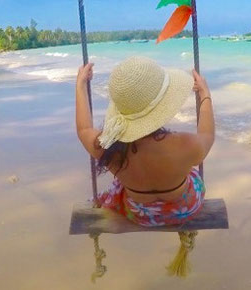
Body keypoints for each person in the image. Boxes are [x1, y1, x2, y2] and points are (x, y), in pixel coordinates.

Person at [75, 56, 214, 226]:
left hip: (138, 213)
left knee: (120, 183)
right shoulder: (185, 144)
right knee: (189, 170)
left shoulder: (106, 146)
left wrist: (80, 84)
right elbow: (207, 135)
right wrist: (205, 95)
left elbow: (84, 130)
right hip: (185, 210)